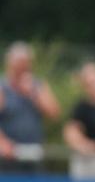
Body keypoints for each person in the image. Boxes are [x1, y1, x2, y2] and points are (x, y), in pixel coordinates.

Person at [0, 41, 61, 172]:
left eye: (26, 62)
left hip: (33, 152)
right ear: (10, 63)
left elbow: (54, 113)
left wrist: (32, 94)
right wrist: (2, 142)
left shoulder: (38, 86)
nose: (23, 67)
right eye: (20, 63)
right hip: (7, 155)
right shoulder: (2, 88)